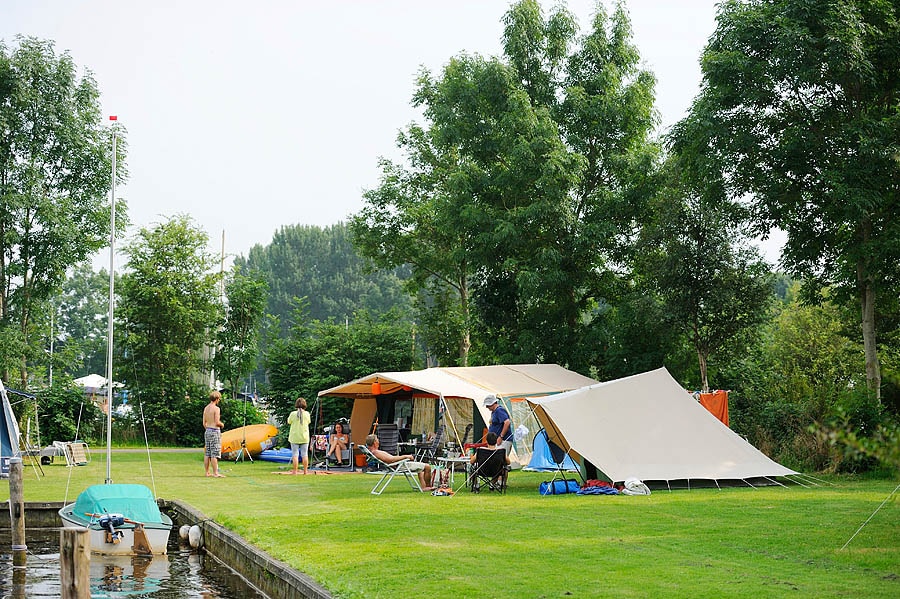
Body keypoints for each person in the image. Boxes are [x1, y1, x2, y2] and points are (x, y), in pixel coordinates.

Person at [365, 434, 434, 491]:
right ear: (374, 442)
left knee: (421, 469)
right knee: (427, 467)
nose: (378, 441)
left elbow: (391, 459)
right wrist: (406, 456)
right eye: (377, 440)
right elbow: (392, 459)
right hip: (399, 465)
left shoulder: (374, 452)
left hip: (397, 464)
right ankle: (428, 486)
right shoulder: (377, 452)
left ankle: (424, 487)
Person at [202, 390, 225, 477]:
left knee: (207, 452)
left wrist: (208, 429)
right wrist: (222, 425)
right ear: (217, 399)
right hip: (214, 431)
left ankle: (207, 472)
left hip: (207, 431)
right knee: (214, 453)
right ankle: (216, 473)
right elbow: (217, 422)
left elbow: (204, 423)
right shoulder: (216, 409)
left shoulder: (206, 408)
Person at [287, 397, 311, 475]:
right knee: (305, 454)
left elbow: (289, 421)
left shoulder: (293, 414)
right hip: (304, 437)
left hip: (294, 436)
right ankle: (305, 471)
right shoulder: (307, 414)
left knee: (295, 454)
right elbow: (308, 422)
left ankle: (295, 471)